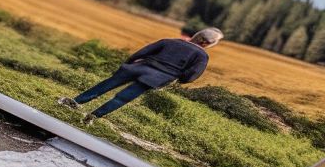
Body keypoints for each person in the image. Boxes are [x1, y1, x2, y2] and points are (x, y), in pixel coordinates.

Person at [57, 28, 223, 120]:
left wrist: (129, 63)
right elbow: (192, 75)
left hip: (138, 67)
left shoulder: (168, 41)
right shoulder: (201, 55)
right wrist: (178, 78)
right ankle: (93, 116)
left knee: (106, 85)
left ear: (197, 36)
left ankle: (74, 102)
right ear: (206, 43)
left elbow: (142, 52)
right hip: (156, 78)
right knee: (122, 98)